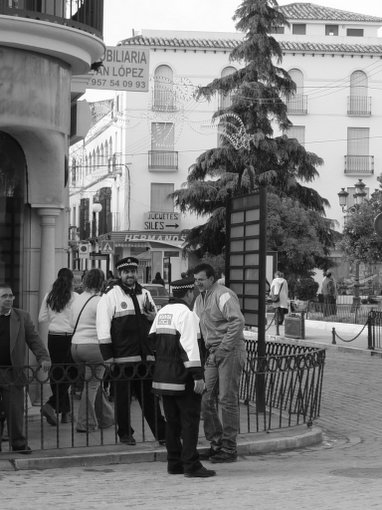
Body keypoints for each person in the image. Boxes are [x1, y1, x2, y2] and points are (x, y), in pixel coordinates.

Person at [149, 276, 216, 478]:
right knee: (189, 422)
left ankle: (174, 463)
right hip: (183, 377)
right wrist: (198, 376)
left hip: (163, 376)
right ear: (189, 294)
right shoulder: (186, 314)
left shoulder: (162, 313)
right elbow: (190, 348)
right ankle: (191, 465)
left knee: (172, 423)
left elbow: (151, 341)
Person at [96, 256, 166, 445]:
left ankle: (162, 434)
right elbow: (102, 326)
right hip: (122, 357)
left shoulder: (145, 294)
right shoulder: (111, 295)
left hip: (145, 357)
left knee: (150, 399)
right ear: (120, 274)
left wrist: (155, 317)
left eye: (133, 271)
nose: (130, 275)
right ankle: (125, 433)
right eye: (126, 272)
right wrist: (108, 356)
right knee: (122, 400)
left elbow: (155, 321)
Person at [193, 263, 246, 463]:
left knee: (227, 399)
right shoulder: (200, 299)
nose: (197, 282)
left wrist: (223, 348)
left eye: (201, 279)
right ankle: (216, 443)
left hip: (230, 350)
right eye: (195, 279)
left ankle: (229, 448)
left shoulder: (223, 294)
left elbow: (237, 321)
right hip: (213, 352)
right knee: (205, 397)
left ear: (211, 279)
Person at [0, 282, 51, 453]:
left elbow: (34, 339)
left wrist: (43, 357)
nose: (9, 299)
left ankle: (19, 444)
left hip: (12, 372)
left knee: (15, 411)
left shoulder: (22, 316)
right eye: (4, 296)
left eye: (10, 296)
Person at [70, 269, 114, 433]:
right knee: (92, 385)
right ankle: (85, 423)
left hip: (75, 346)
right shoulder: (100, 301)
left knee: (94, 383)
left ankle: (106, 418)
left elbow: (70, 323)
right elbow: (106, 327)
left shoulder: (77, 299)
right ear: (102, 282)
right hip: (94, 347)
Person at [39, 268, 79, 426]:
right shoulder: (75, 297)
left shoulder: (49, 296)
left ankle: (65, 413)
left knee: (57, 372)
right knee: (72, 372)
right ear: (71, 280)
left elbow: (41, 318)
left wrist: (55, 318)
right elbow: (77, 318)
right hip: (69, 337)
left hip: (53, 337)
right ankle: (51, 405)